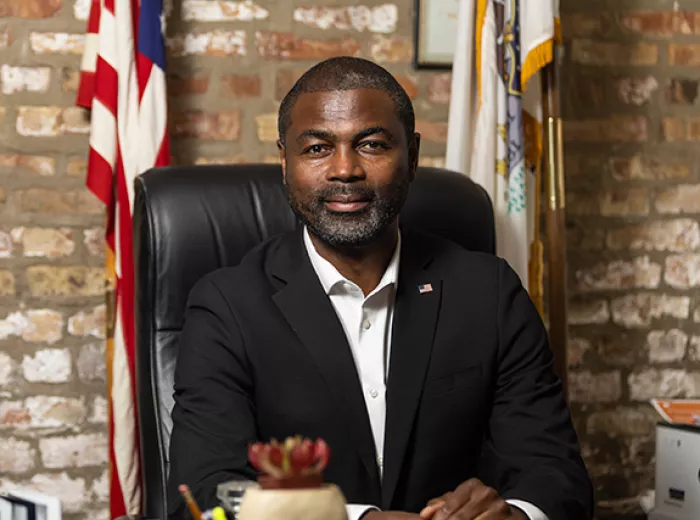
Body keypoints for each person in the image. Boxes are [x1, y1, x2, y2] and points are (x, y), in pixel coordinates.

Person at [167, 56, 594, 520]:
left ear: (411, 157)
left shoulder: (489, 292)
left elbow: (557, 475)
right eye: (316, 149)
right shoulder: (227, 306)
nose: (344, 170)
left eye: (371, 145)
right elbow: (205, 491)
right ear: (285, 163)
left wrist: (516, 513)